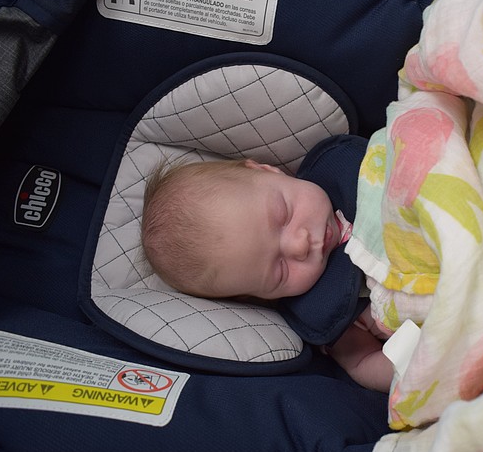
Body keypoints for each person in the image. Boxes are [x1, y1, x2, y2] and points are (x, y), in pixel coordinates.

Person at [140, 157, 393, 392]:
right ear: (258, 297)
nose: (300, 244)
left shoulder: (351, 165)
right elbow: (364, 362)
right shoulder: (329, 313)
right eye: (280, 270)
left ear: (266, 169)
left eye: (284, 214)